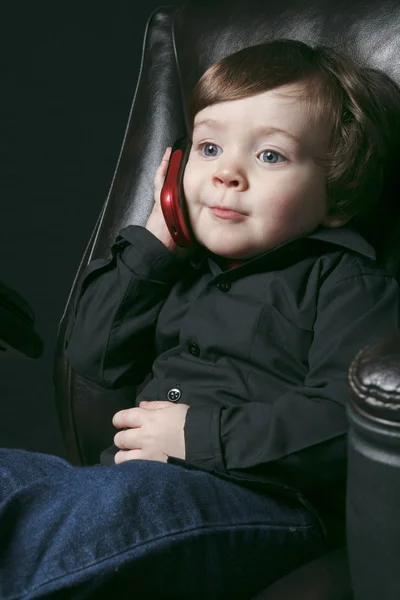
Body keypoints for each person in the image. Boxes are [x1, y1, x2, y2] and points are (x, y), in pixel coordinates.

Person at [1, 40, 399, 599]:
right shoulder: (180, 271)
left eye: (270, 156)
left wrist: (198, 436)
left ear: (337, 192)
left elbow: (344, 421)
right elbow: (91, 354)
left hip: (262, 504)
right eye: (209, 147)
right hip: (117, 484)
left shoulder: (348, 283)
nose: (226, 175)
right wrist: (154, 248)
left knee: (100, 512)